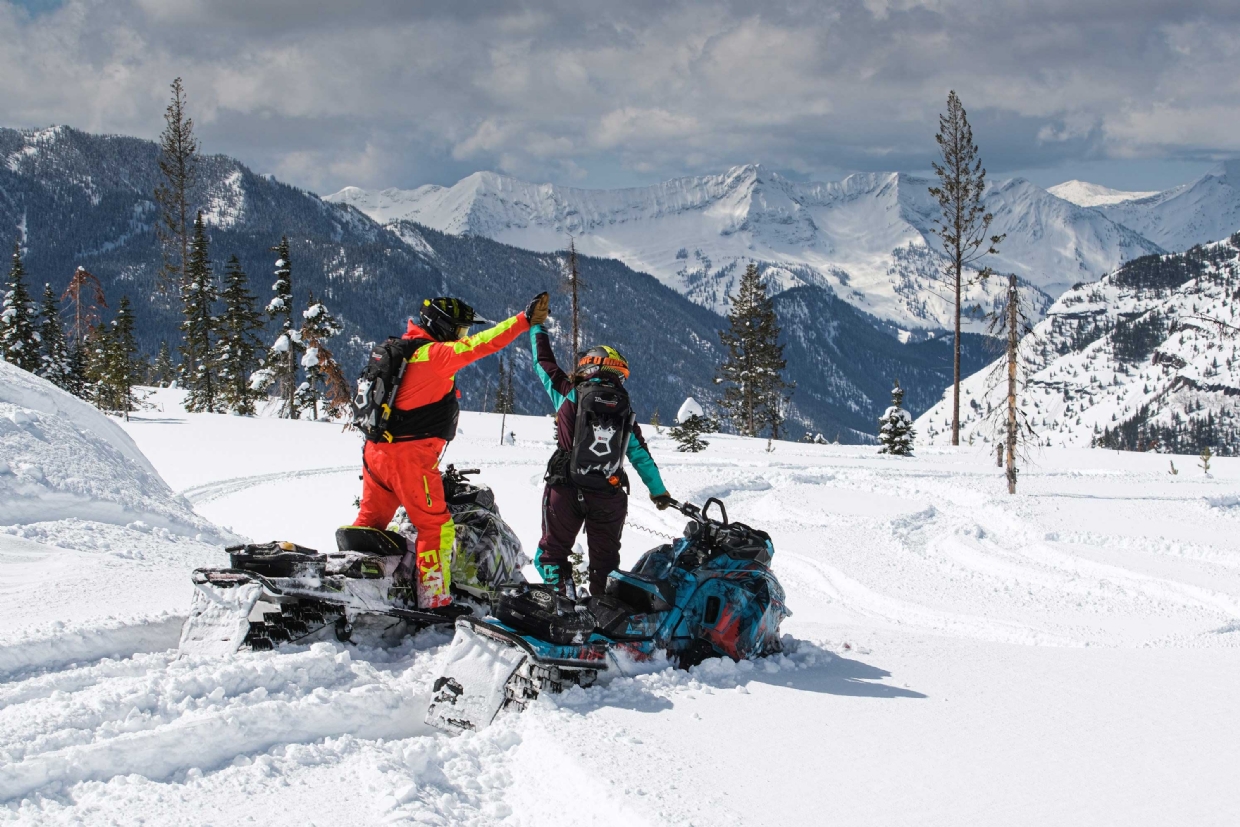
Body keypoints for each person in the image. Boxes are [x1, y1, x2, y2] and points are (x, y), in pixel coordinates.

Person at [353, 293, 549, 611]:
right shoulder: (434, 354)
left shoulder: (403, 351)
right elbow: (484, 344)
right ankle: (434, 599)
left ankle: (353, 577)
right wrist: (523, 320)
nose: (463, 337)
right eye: (460, 331)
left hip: (377, 452)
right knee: (436, 526)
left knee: (371, 521)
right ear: (442, 327)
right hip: (409, 458)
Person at [529, 318, 674, 597]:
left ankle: (563, 606)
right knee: (605, 565)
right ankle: (601, 619)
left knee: (551, 555)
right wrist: (659, 492)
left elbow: (543, 364)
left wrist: (537, 327)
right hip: (608, 493)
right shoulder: (624, 409)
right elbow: (640, 456)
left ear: (588, 366)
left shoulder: (569, 393)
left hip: (565, 488)